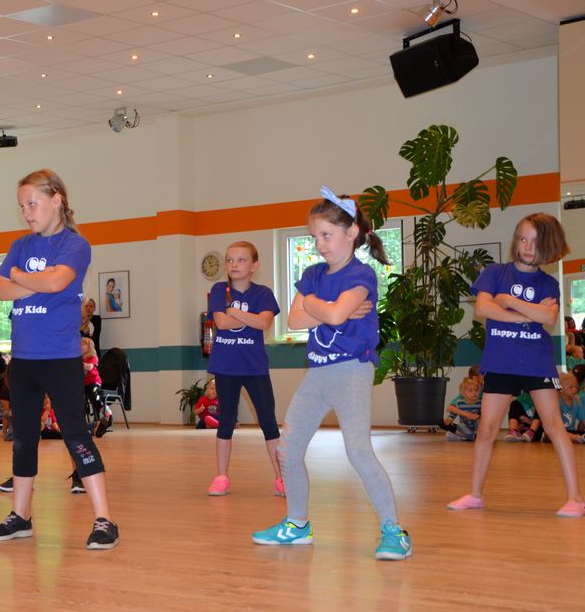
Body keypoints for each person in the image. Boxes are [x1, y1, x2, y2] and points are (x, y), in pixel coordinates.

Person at [252, 186, 412, 560]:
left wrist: (315, 305)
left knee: (358, 450)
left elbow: (336, 316)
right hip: (318, 374)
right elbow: (294, 320)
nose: (319, 244)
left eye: (326, 235)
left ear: (351, 232)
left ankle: (394, 530)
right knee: (288, 450)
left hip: (352, 372)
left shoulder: (362, 274)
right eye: (314, 237)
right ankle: (297, 524)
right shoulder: (312, 274)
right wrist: (325, 307)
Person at [0, 169, 118, 550]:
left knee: (76, 436)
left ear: (56, 199)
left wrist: (19, 277)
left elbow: (57, 282)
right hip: (23, 360)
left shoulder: (75, 245)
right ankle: (20, 516)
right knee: (23, 439)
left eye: (33, 204)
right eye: (22, 206)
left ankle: (105, 520)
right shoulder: (20, 245)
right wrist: (36, 280)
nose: (27, 212)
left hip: (59, 358)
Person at [447, 213, 585, 517]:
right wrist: (528, 314)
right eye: (523, 239)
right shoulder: (495, 272)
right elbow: (484, 307)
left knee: (554, 426)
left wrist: (508, 300)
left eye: (535, 241)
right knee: (486, 429)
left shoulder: (548, 283)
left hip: (537, 363)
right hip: (501, 362)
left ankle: (575, 499)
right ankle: (475, 495)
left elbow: (549, 317)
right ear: (515, 241)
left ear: (546, 245)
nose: (528, 246)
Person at [205, 241, 282, 497]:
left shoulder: (263, 293)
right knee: (226, 421)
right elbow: (221, 323)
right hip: (226, 367)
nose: (234, 264)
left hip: (254, 367)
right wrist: (249, 317)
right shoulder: (219, 289)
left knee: (268, 421)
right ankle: (221, 477)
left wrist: (233, 311)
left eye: (241, 260)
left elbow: (264, 323)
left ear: (254, 265)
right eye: (229, 260)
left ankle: (281, 478)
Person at [81, 336, 110, 437]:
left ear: (89, 347)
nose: (80, 346)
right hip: (83, 384)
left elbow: (89, 367)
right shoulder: (79, 358)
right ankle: (88, 425)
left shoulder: (93, 357)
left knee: (94, 396)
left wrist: (78, 363)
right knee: (80, 400)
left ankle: (107, 412)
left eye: (83, 345)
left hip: (94, 382)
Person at [441, 377, 482, 442]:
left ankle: (468, 436)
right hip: (464, 427)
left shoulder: (480, 403)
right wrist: (450, 419)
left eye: (476, 390)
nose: (474, 393)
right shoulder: (459, 403)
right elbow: (453, 413)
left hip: (475, 428)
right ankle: (471, 437)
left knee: (479, 423)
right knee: (449, 434)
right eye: (470, 390)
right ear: (463, 393)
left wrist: (478, 417)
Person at [556, 371, 585, 443]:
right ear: (561, 389)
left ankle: (577, 438)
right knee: (554, 433)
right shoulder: (558, 403)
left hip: (571, 432)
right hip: (558, 432)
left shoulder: (576, 402)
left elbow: (583, 419)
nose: (575, 389)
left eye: (575, 387)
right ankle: (578, 438)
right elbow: (555, 426)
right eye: (571, 387)